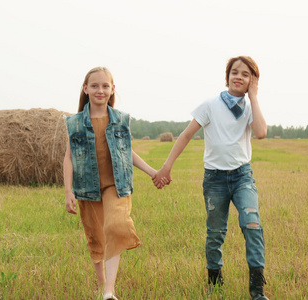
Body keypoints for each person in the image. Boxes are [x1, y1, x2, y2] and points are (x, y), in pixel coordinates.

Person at [153, 56, 269, 299]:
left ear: (252, 81)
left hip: (242, 177)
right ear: (226, 76)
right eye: (234, 72)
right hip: (215, 179)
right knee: (215, 232)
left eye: (245, 74)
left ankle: (257, 291)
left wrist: (254, 97)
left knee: (252, 224)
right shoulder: (210, 105)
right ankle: (215, 284)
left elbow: (260, 133)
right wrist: (166, 167)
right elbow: (185, 135)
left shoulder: (250, 108)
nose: (239, 76)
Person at [64, 67, 160, 300]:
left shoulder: (121, 120)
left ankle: (110, 291)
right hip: (88, 187)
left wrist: (152, 172)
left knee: (116, 227)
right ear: (85, 89)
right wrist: (68, 191)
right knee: (97, 237)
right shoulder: (74, 122)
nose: (100, 90)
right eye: (94, 85)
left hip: (116, 185)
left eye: (105, 86)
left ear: (112, 89)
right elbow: (68, 158)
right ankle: (102, 284)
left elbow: (129, 153)